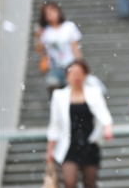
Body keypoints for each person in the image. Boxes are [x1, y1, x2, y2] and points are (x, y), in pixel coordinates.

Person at [46, 60, 113, 188]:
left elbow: (104, 114)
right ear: (67, 76)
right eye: (73, 73)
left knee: (90, 182)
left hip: (89, 143)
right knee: (69, 181)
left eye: (80, 73)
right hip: (68, 145)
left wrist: (108, 128)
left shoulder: (94, 93)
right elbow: (55, 124)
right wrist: (49, 150)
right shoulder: (59, 96)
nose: (76, 76)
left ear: (85, 75)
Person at [35, 2, 82, 98]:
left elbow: (75, 48)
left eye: (53, 11)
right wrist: (38, 37)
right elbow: (40, 51)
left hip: (70, 65)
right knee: (53, 88)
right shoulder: (45, 31)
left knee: (69, 91)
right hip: (54, 66)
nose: (51, 15)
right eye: (47, 13)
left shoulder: (68, 27)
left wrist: (80, 64)